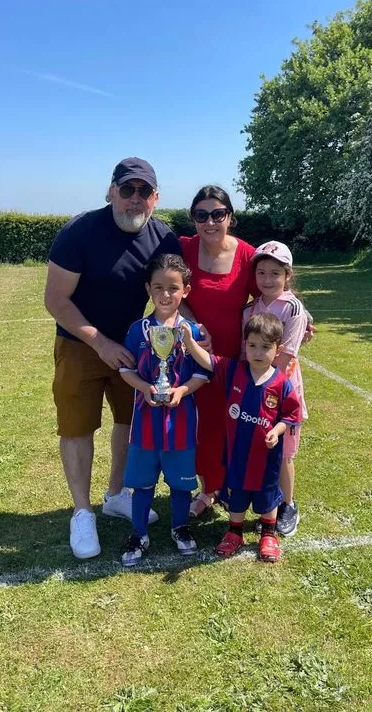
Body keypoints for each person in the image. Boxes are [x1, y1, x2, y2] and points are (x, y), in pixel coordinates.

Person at [44, 157, 182, 559]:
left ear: (155, 198)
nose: (134, 199)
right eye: (127, 190)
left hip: (133, 347)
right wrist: (99, 342)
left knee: (130, 421)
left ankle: (117, 494)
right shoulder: (80, 231)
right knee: (77, 427)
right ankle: (82, 511)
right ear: (111, 192)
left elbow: (176, 293)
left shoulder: (163, 239)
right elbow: (56, 299)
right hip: (79, 343)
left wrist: (197, 332)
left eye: (144, 191)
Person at [182, 313, 303, 562]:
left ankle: (268, 533)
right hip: (237, 455)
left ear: (277, 350)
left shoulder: (281, 383)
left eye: (266, 347)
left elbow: (290, 415)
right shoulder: (234, 371)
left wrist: (276, 431)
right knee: (236, 494)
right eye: (253, 346)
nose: (258, 353)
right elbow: (208, 361)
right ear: (245, 345)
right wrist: (189, 342)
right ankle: (234, 532)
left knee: (267, 495)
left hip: (266, 458)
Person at [118, 254, 209, 566]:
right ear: (148, 289)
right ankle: (139, 533)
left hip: (181, 423)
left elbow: (202, 373)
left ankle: (179, 528)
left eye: (173, 288)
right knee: (143, 481)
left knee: (181, 482)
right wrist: (145, 388)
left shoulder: (193, 332)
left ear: (186, 290)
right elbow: (125, 371)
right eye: (159, 287)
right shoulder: (137, 330)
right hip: (145, 422)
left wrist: (182, 390)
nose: (166, 294)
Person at [179, 186, 257, 518]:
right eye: (201, 215)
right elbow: (171, 294)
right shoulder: (183, 249)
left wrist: (299, 313)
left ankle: (234, 489)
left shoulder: (248, 255)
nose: (209, 222)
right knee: (201, 426)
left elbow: (271, 291)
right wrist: (195, 329)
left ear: (230, 217)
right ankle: (207, 490)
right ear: (193, 219)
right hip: (193, 355)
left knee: (234, 425)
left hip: (235, 358)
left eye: (217, 214)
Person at [242, 241, 309, 537]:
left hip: (282, 390)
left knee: (283, 453)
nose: (267, 280)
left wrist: (267, 387)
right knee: (261, 447)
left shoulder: (293, 306)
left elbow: (287, 354)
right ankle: (266, 502)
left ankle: (288, 504)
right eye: (261, 273)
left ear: (288, 275)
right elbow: (245, 352)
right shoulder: (250, 309)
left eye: (275, 273)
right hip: (254, 388)